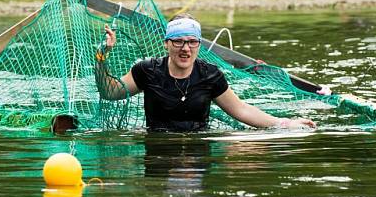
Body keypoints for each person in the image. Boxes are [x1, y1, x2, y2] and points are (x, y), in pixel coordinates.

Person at [95, 15, 316, 132]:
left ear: (199, 45)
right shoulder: (147, 70)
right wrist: (102, 56)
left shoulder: (210, 75)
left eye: (192, 42)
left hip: (199, 146)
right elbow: (109, 92)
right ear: (166, 44)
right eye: (178, 42)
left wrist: (285, 124)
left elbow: (242, 109)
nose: (185, 48)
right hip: (157, 146)